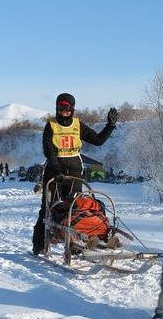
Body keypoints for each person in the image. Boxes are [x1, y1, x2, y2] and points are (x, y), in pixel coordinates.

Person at [32, 93, 118, 255]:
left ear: (73, 109)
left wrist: (110, 126)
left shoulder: (78, 125)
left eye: (68, 108)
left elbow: (98, 140)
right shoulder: (50, 126)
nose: (65, 111)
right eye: (62, 107)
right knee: (47, 209)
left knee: (75, 207)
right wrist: (57, 171)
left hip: (74, 171)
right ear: (57, 108)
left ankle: (76, 243)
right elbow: (49, 152)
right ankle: (39, 245)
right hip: (54, 172)